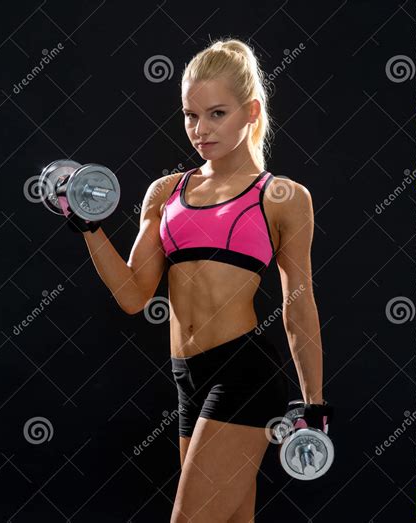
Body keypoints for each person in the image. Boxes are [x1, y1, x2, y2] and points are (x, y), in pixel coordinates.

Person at [77, 38, 326, 523]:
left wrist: (314, 401)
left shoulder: (280, 197)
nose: (200, 129)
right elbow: (133, 295)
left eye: (216, 114)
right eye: (190, 115)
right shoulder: (167, 192)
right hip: (186, 377)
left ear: (251, 111)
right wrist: (88, 225)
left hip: (244, 374)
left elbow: (299, 304)